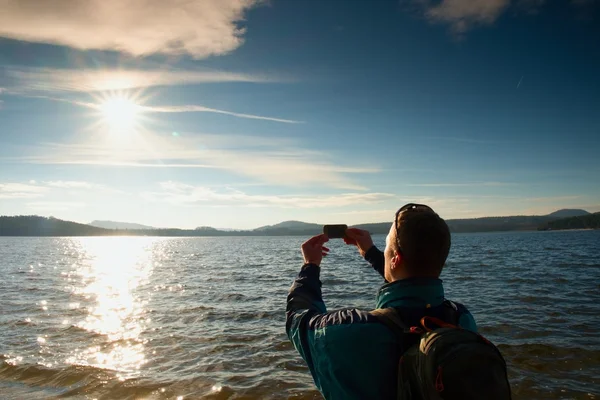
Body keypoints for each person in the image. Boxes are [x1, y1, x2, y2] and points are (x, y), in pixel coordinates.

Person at [285, 203, 478, 399]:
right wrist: (371, 253)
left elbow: (297, 319)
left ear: (394, 258)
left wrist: (310, 266)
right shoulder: (462, 321)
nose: (383, 251)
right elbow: (413, 287)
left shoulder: (346, 331)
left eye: (386, 246)